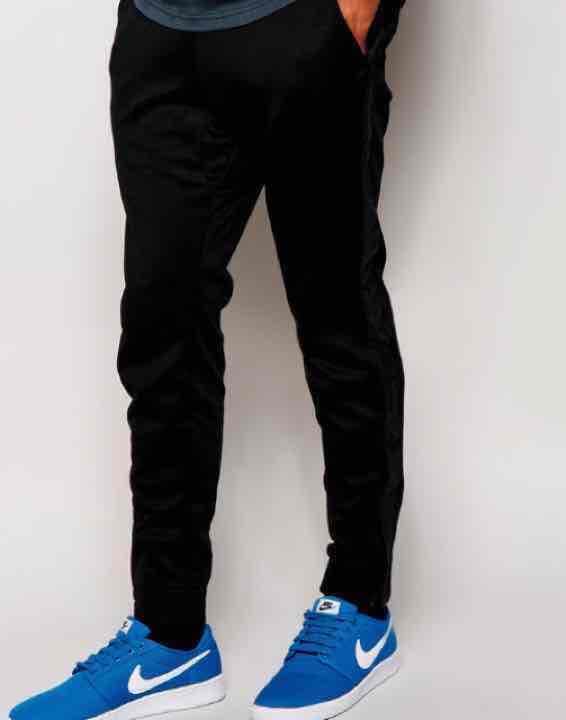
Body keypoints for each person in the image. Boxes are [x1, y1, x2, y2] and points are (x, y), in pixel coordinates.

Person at [8, 0, 405, 718]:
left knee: (337, 316)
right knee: (162, 323)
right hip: (161, 34)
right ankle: (169, 636)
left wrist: (353, 10)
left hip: (303, 24)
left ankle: (359, 604)